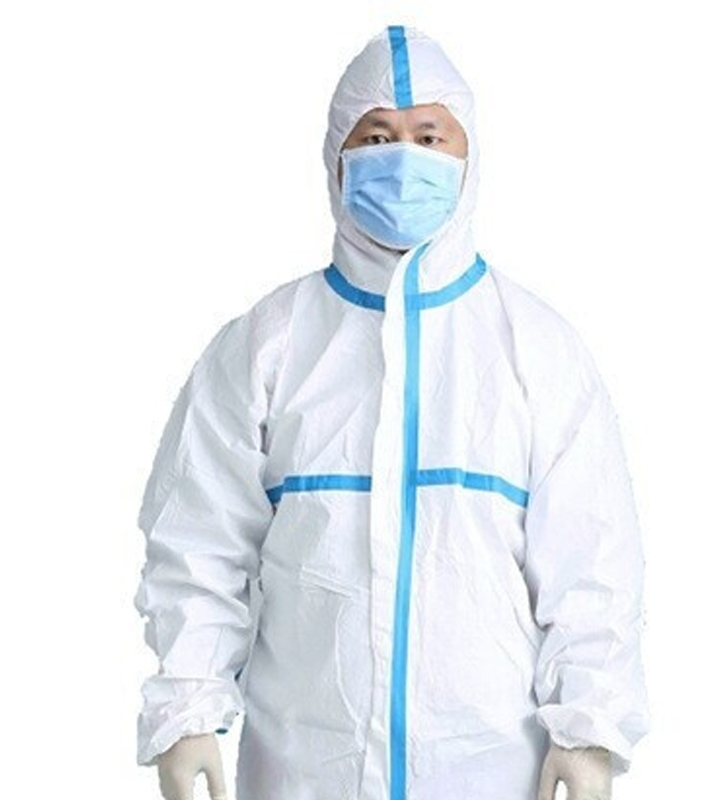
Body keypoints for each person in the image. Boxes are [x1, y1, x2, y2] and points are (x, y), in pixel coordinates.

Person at [133, 23, 651, 800]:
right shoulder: (268, 345)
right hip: (306, 773)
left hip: (491, 773)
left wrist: (589, 731)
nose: (404, 158)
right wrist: (187, 711)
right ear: (336, 157)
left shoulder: (535, 349)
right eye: (376, 137)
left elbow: (593, 565)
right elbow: (197, 543)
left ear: (468, 157)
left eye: (429, 136)